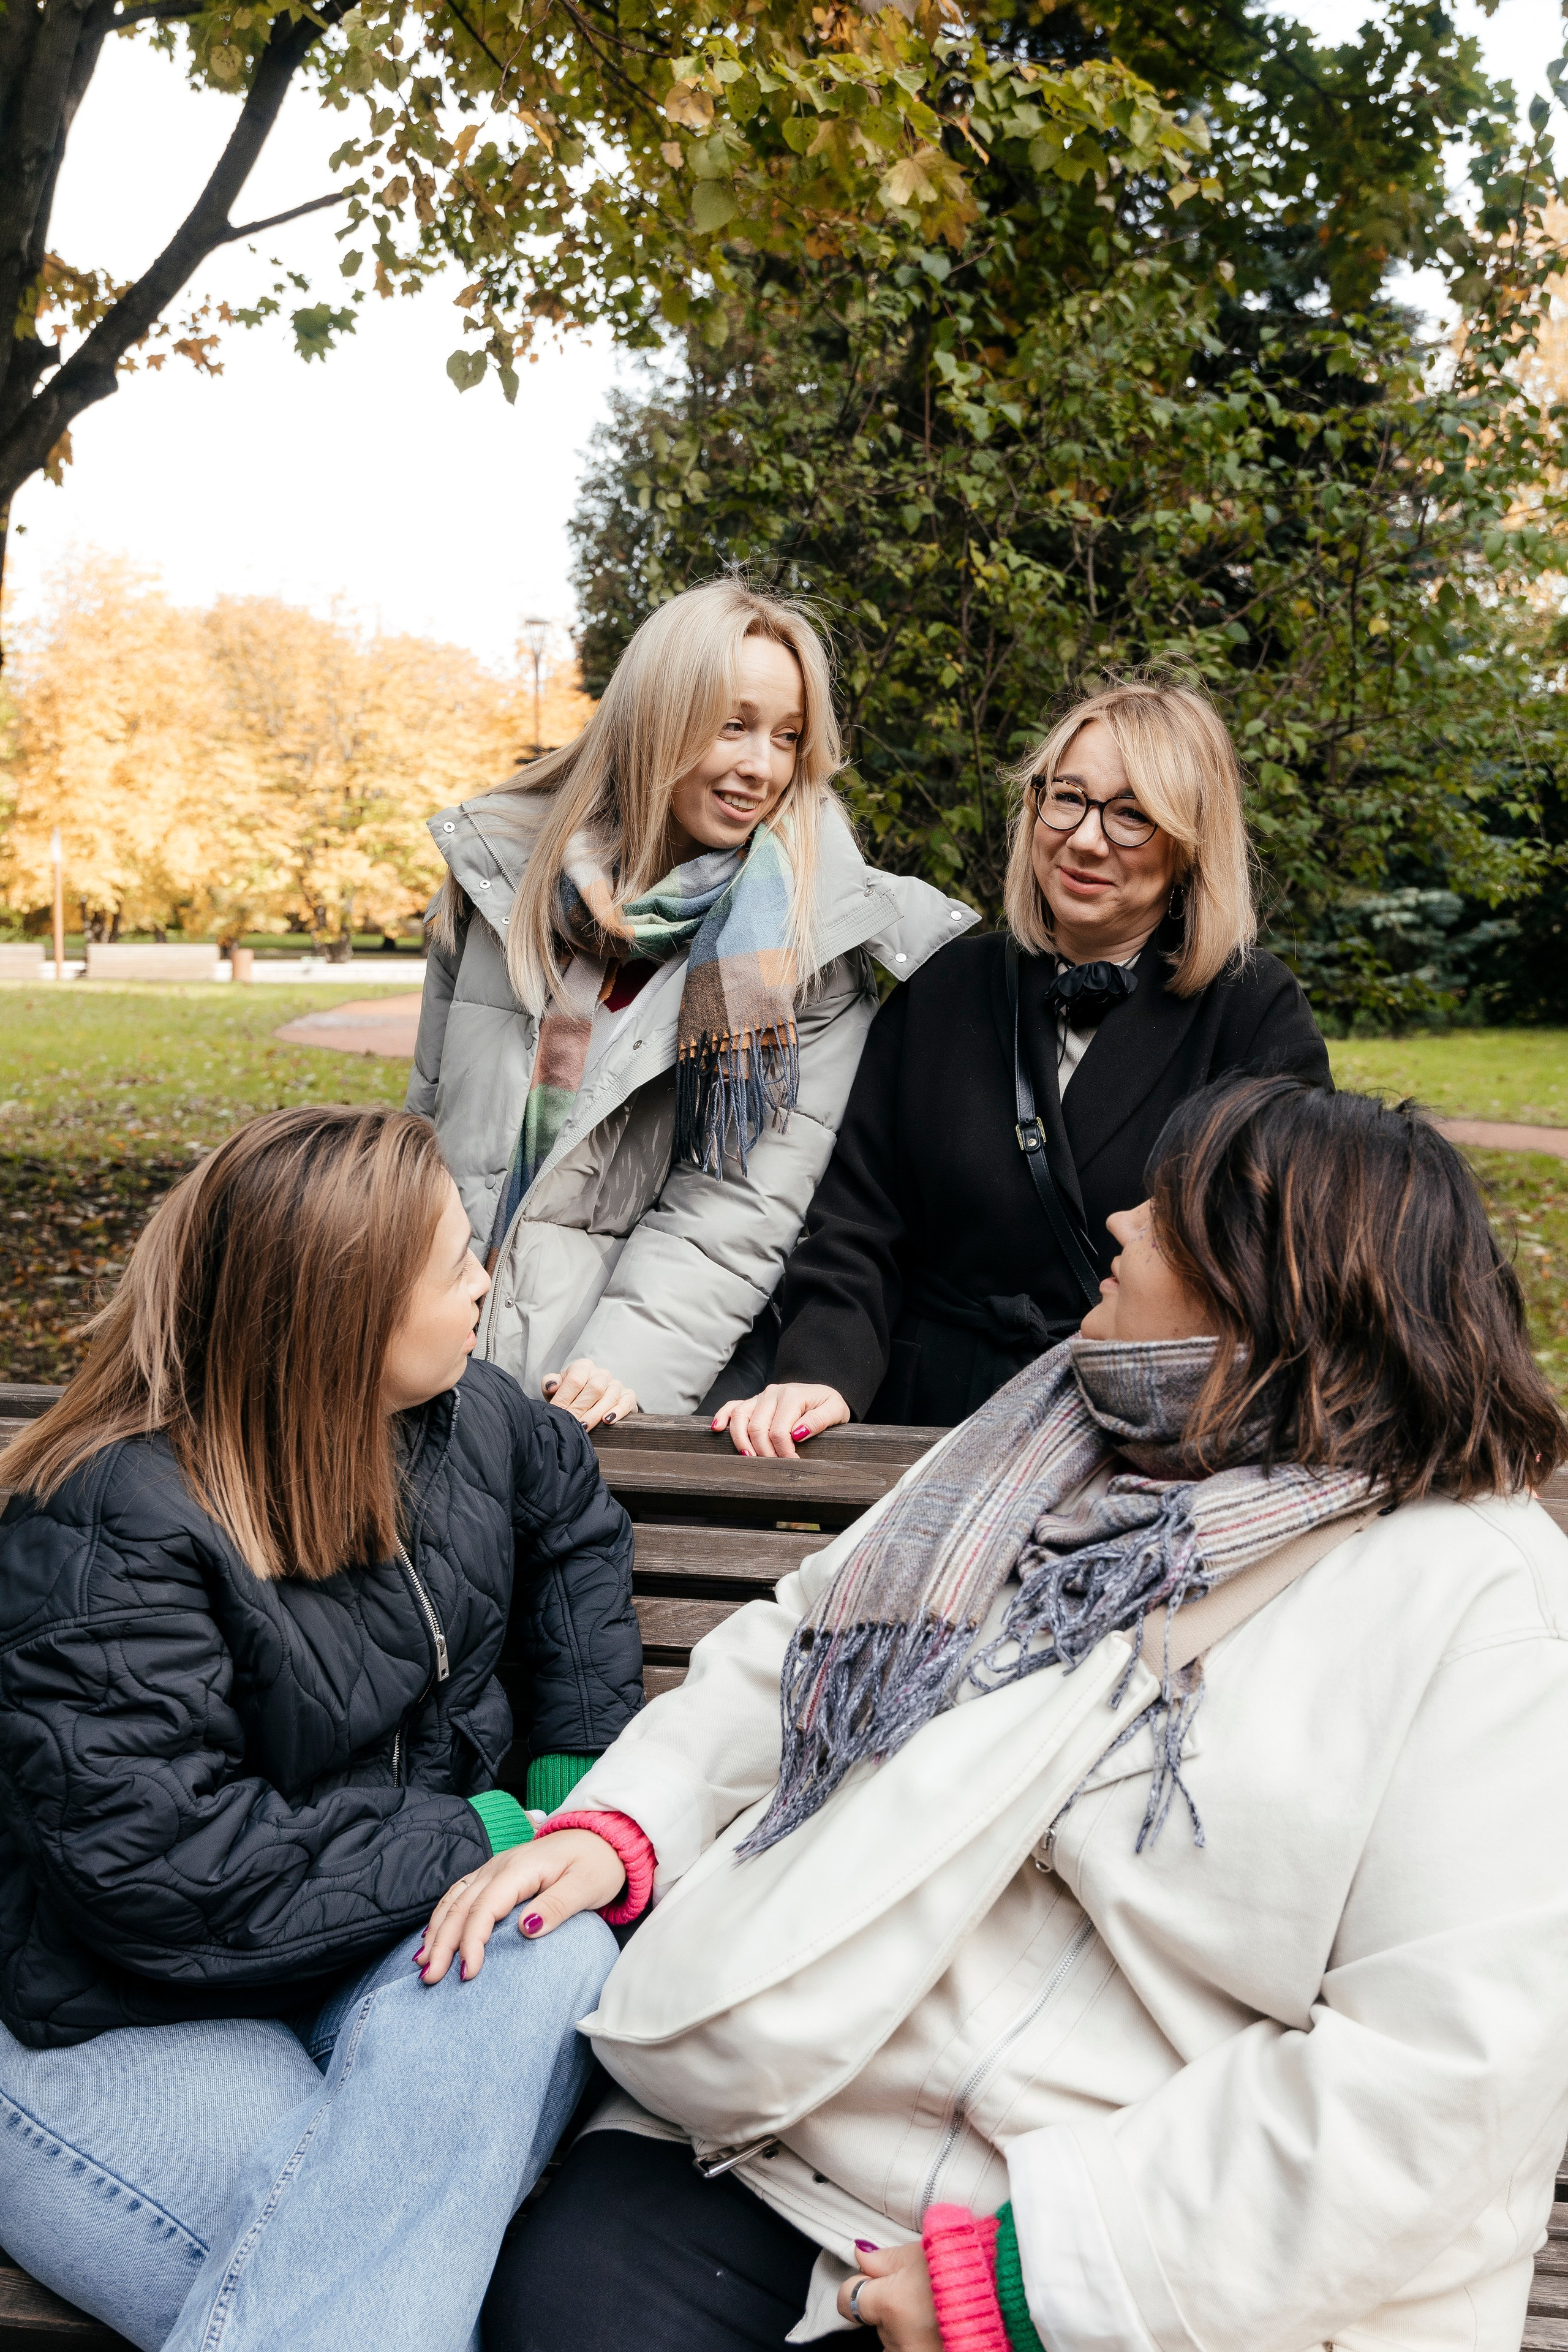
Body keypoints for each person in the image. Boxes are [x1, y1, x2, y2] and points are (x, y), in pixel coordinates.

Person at [424, 1077, 1568, 2352]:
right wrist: (627, 1827)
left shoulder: (1474, 1595)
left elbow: (1446, 2073)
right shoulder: (1043, 1435)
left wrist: (1030, 2281)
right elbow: (797, 1646)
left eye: (1169, 1211)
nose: (1120, 1223)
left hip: (1138, 2259)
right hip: (775, 2131)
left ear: (1270, 1290)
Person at [0, 1106, 643, 2352]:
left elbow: (568, 1515)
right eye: (456, 1262)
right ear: (347, 1310)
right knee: (363, 2251)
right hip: (121, 2007)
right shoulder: (104, 1520)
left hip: (369, 1948)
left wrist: (576, 1784)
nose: (485, 1283)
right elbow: (161, 1872)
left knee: (549, 1945)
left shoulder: (465, 1419)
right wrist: (490, 1832)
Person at [408, 576, 975, 1429]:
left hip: (613, 1397)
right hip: (431, 1365)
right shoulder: (501, 884)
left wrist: (614, 1372)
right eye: (734, 725)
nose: (762, 767)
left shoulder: (805, 945)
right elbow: (420, 1132)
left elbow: (738, 1209)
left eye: (788, 738)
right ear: (658, 717)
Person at [715, 673, 1330, 1456]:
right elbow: (858, 1224)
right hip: (926, 1420)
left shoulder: (1251, 1010)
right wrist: (825, 1372)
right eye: (1067, 796)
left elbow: (1279, 1257)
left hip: (1130, 1436)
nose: (1084, 837)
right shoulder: (943, 987)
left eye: (1132, 814)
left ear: (1188, 845)